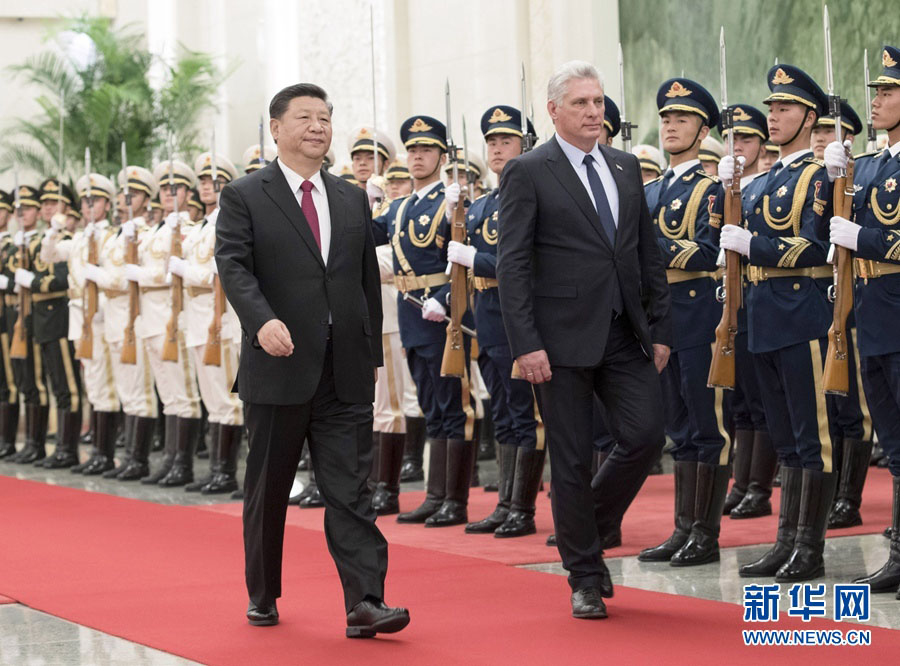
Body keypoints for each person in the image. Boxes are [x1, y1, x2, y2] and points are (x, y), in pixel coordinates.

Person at [216, 82, 409, 636]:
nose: (318, 127)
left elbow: (364, 280)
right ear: (276, 129)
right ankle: (262, 591)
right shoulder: (246, 195)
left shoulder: (350, 197)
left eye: (325, 118)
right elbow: (234, 267)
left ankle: (365, 601)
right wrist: (262, 320)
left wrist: (369, 351)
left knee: (350, 489)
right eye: (305, 117)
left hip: (343, 368)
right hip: (278, 363)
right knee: (269, 487)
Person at [497, 61, 672, 619]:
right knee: (570, 459)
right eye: (581, 104)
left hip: (625, 333)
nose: (595, 112)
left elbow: (647, 252)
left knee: (645, 435)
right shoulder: (528, 170)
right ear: (554, 111)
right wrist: (526, 343)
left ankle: (586, 529)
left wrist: (659, 327)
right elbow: (514, 264)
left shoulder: (624, 167)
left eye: (598, 102)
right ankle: (585, 575)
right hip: (558, 341)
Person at [720, 65, 835, 582]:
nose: (774, 116)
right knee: (783, 436)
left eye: (785, 108)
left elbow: (817, 244)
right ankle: (786, 542)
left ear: (810, 117)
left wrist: (756, 246)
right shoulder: (764, 179)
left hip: (801, 311)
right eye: (771, 107)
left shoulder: (818, 176)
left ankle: (809, 548)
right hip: (764, 314)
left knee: (811, 437)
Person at [637, 78, 730, 568]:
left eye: (683, 119)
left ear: (703, 131)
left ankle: (705, 533)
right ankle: (682, 528)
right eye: (667, 119)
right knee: (677, 426)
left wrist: (647, 252)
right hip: (660, 318)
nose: (672, 127)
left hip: (696, 313)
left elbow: (708, 249)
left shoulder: (711, 189)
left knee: (705, 424)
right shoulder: (649, 190)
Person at [371, 115, 478, 528]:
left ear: (441, 156)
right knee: (432, 407)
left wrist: (447, 300)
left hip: (442, 314)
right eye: (412, 150)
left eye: (426, 150)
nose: (418, 156)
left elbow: (466, 263)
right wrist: (363, 201)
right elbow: (363, 233)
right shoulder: (399, 208)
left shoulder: (451, 203)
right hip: (411, 313)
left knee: (454, 406)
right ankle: (436, 496)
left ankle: (456, 499)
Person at [825, 44, 900, 597]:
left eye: (889, 91)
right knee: (894, 446)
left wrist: (863, 238)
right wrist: (836, 180)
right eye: (875, 91)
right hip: (872, 317)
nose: (876, 101)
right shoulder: (871, 165)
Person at [458, 105, 545, 539]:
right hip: (487, 316)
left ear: (525, 146)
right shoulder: (483, 204)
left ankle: (523, 508)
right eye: (491, 141)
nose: (495, 148)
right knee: (505, 414)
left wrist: (476, 259)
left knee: (525, 413)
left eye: (505, 141)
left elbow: (527, 262)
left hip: (519, 316)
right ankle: (507, 503)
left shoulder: (532, 194)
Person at [716, 104, 778, 521]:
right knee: (738, 401)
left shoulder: (772, 187)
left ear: (762, 145)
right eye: (732, 139)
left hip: (762, 299)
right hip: (729, 301)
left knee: (762, 401)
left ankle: (759, 486)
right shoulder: (725, 189)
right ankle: (742, 484)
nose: (738, 147)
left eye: (747, 140)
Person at [170, 151, 244, 494]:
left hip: (220, 318)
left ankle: (225, 472)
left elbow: (222, 271)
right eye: (201, 180)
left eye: (212, 180)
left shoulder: (228, 220)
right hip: (197, 319)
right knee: (211, 399)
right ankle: (216, 469)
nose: (205, 186)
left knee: (226, 399)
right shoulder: (200, 226)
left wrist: (188, 271)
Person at [41, 174, 122, 475]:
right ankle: (97, 452)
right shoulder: (77, 238)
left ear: (107, 204)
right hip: (78, 314)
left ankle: (105, 453)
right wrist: (54, 230)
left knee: (104, 383)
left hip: (99, 313)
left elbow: (113, 276)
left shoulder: (110, 236)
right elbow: (48, 255)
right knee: (92, 384)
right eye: (85, 201)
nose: (89, 206)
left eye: (95, 201)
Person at [0, 190, 19, 460]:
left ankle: (8, 439)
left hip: (6, 317)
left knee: (9, 381)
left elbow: (19, 279)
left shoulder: (15, 244)